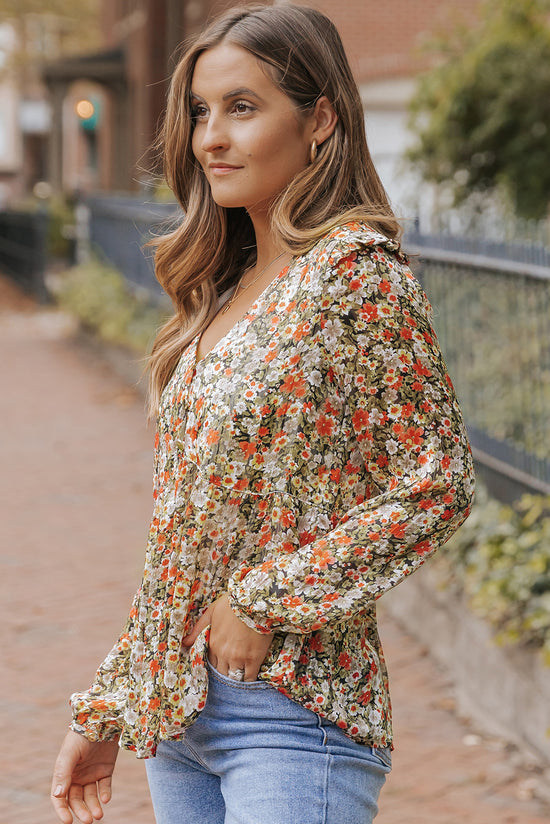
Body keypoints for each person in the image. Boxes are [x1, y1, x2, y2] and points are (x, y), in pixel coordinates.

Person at [51, 5, 475, 823]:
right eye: (202, 112)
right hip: (179, 723)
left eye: (242, 108)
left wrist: (262, 601)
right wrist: (108, 704)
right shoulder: (217, 295)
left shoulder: (357, 274)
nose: (211, 136)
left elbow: (440, 482)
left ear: (320, 120)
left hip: (293, 713)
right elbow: (186, 536)